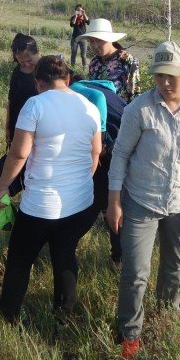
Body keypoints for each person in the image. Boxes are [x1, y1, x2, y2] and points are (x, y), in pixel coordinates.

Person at [108, 40, 180, 359]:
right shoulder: (139, 109)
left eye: (172, 75)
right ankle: (130, 331)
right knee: (135, 271)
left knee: (175, 265)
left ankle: (168, 313)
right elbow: (121, 156)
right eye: (159, 76)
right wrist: (114, 202)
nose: (165, 83)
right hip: (140, 201)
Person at [0, 56, 102, 322]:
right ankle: (63, 317)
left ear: (37, 83)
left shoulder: (35, 104)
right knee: (64, 256)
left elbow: (19, 154)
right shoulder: (89, 106)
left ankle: (7, 316)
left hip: (41, 205)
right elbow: (96, 152)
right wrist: (80, 182)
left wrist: (3, 187)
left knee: (20, 259)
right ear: (67, 80)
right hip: (80, 203)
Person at [69, 74, 127, 269]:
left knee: (91, 203)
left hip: (110, 151)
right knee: (114, 203)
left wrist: (99, 144)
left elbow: (97, 101)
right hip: (126, 149)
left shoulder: (75, 89)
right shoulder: (107, 89)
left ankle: (65, 245)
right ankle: (118, 258)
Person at [82, 18, 140, 103]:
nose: (95, 45)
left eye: (100, 40)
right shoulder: (94, 62)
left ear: (109, 39)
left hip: (121, 113)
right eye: (91, 41)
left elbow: (135, 95)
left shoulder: (127, 61)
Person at [5, 33, 40, 146]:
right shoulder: (17, 72)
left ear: (38, 53)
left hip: (39, 126)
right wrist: (8, 127)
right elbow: (11, 101)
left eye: (29, 60)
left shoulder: (49, 69)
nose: (27, 65)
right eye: (22, 63)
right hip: (18, 123)